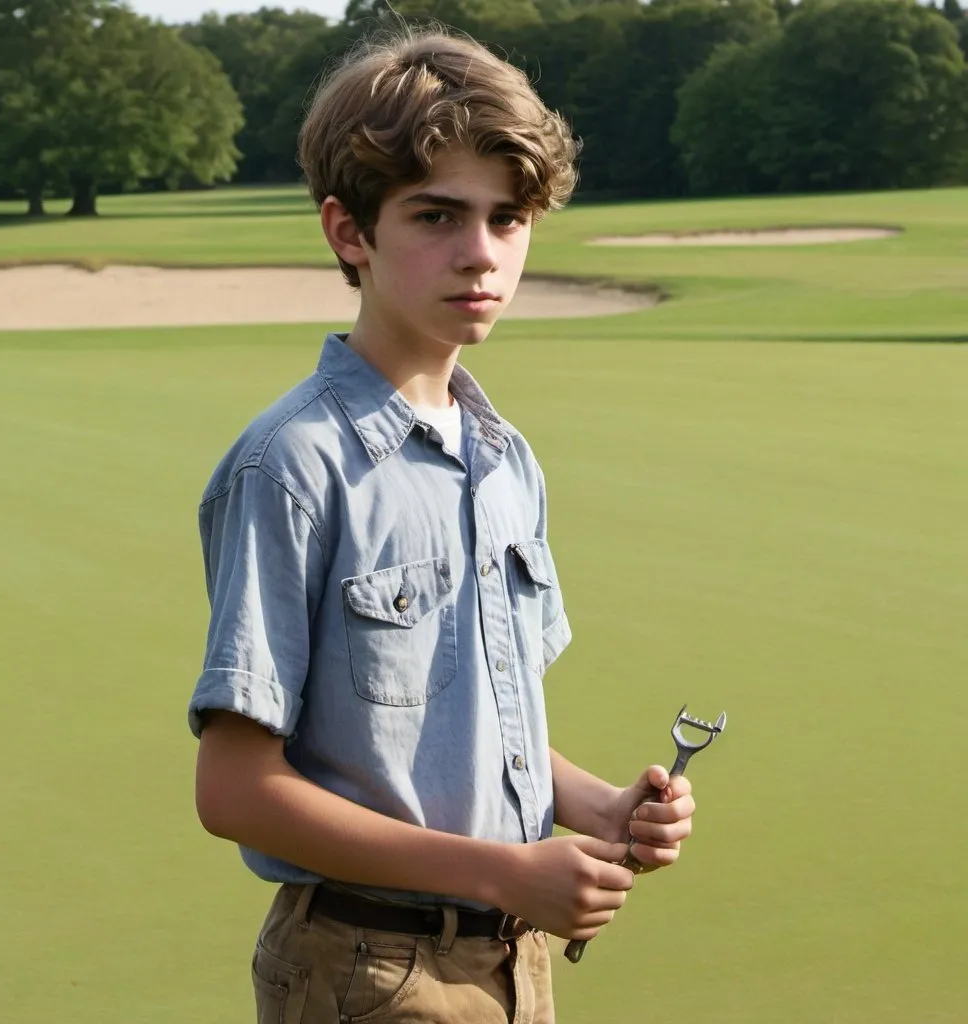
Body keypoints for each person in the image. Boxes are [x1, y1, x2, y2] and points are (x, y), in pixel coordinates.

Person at [187, 24, 696, 1024]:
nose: (481, 253)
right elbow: (236, 790)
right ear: (349, 233)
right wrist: (506, 872)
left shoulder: (503, 457)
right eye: (436, 215)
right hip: (364, 968)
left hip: (514, 963)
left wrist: (593, 805)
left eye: (509, 219)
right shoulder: (292, 464)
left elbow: (457, 716)